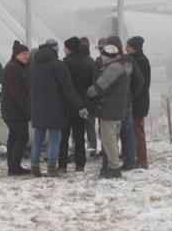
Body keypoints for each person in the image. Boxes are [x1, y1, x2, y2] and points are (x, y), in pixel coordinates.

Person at [28, 38, 85, 177]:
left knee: (38, 139)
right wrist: (80, 105)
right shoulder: (58, 65)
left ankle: (35, 168)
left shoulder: (34, 65)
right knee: (54, 139)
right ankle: (52, 168)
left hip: (38, 108)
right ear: (55, 49)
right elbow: (68, 88)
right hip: (55, 108)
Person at [85, 37, 133, 179]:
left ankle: (114, 168)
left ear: (108, 56)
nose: (101, 57)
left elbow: (99, 87)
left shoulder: (113, 68)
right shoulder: (120, 65)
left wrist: (88, 92)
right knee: (112, 139)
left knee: (108, 140)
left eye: (103, 55)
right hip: (117, 109)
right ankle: (113, 166)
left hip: (109, 110)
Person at [63, 36, 97, 170]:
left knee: (64, 137)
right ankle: (80, 164)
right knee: (79, 135)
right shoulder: (89, 63)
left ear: (69, 49)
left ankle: (62, 164)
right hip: (83, 105)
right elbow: (92, 84)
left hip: (67, 105)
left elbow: (65, 86)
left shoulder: (65, 64)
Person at [0, 41, 32, 175]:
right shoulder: (13, 68)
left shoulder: (19, 66)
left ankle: (12, 165)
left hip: (12, 110)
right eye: (23, 53)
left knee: (14, 137)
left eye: (27, 53)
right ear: (17, 55)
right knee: (21, 137)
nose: (26, 56)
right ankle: (14, 167)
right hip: (15, 111)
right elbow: (18, 94)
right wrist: (28, 111)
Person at [126, 35, 152, 170]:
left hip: (138, 102)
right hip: (137, 101)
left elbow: (137, 83)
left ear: (134, 48)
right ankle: (137, 158)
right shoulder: (135, 60)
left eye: (128, 47)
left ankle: (142, 160)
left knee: (138, 131)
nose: (126, 49)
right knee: (134, 131)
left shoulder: (140, 62)